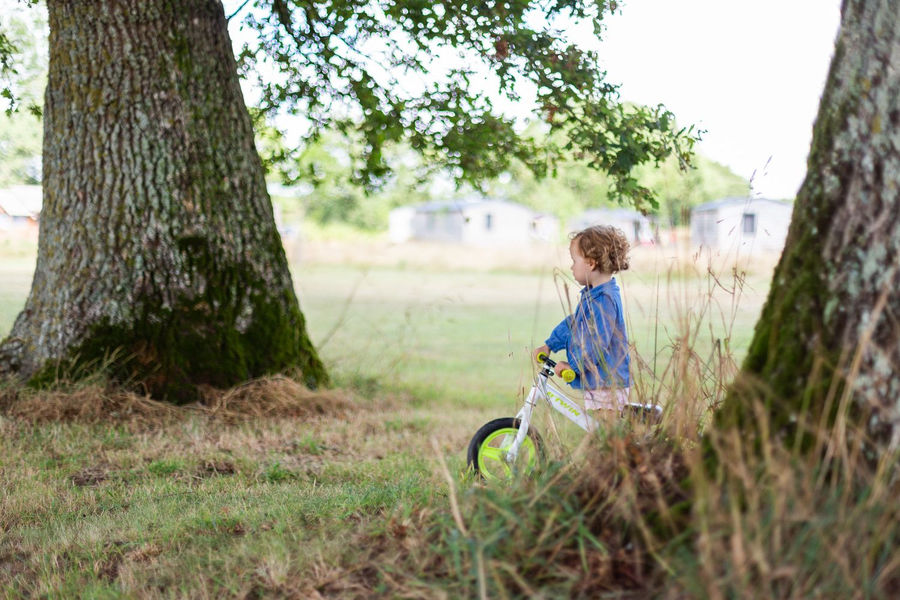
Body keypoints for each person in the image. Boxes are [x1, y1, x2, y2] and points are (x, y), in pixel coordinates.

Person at [533, 225, 631, 412]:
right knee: (599, 433)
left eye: (574, 260)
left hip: (608, 383)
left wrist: (574, 366)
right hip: (600, 382)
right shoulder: (593, 295)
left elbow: (597, 342)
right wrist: (550, 345)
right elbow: (574, 323)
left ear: (590, 263)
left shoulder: (604, 300)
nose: (571, 266)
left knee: (604, 436)